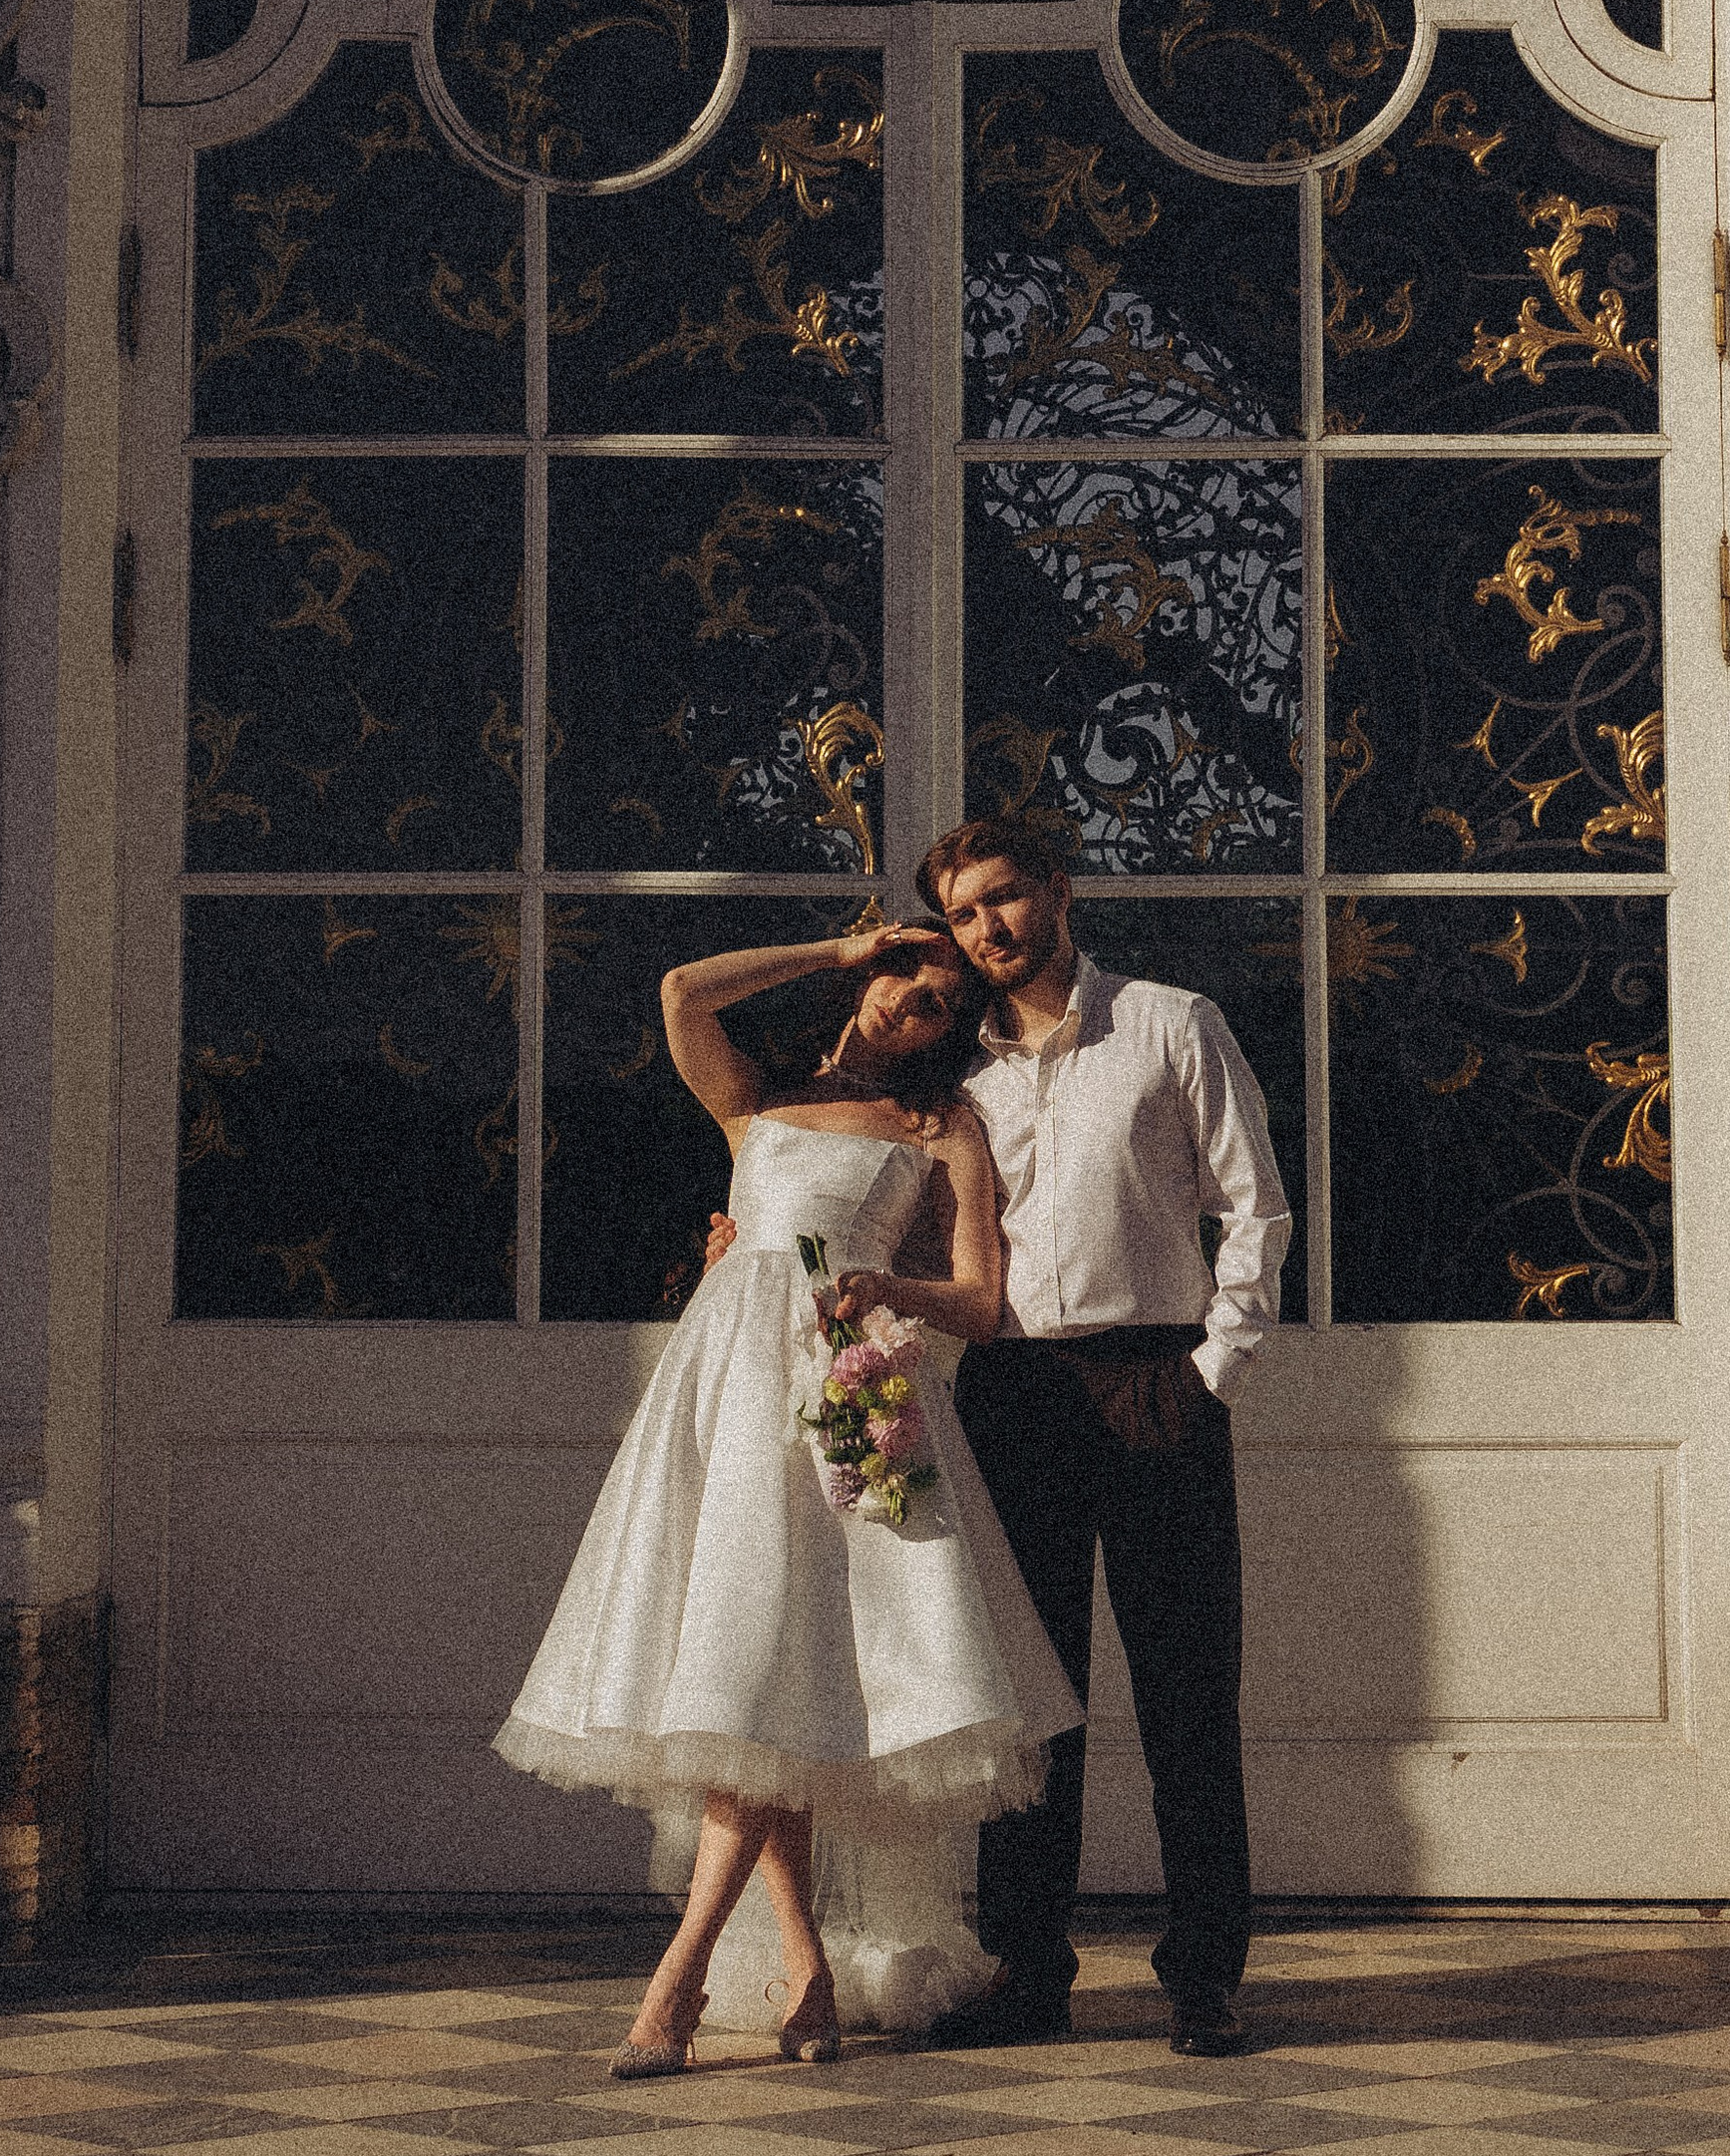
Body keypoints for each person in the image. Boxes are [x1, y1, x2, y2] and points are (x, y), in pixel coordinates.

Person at [492, 921, 1080, 2078]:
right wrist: (835, 947)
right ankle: (805, 1974)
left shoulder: (938, 1125)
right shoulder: (755, 1102)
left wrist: (883, 1286)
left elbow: (978, 1299)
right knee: (764, 1688)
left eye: (946, 999)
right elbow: (677, 981)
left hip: (843, 1399)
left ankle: (681, 1976)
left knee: (772, 1685)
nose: (922, 1000)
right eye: (909, 976)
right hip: (722, 1399)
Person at [920, 815, 1290, 2060]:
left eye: (1005, 899)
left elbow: (1254, 1205)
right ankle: (1029, 1973)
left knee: (1188, 1692)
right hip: (1010, 1393)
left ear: (1059, 893)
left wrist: (1211, 1370)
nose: (988, 930)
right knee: (1033, 1707)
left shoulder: (1172, 1024)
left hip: (1153, 1380)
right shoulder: (949, 1073)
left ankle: (1204, 1976)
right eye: (965, 914)